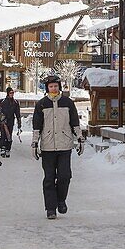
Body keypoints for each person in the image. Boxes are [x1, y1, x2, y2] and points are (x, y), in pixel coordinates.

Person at [32, 75, 83, 219]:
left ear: (59, 87)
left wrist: (79, 138)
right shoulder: (41, 104)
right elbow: (37, 126)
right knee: (49, 178)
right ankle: (50, 209)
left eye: (55, 86)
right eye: (51, 86)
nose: (53, 88)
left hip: (64, 145)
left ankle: (61, 200)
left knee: (65, 176)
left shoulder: (68, 103)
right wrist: (35, 143)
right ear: (47, 88)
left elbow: (74, 122)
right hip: (48, 146)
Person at [0, 87, 22, 158]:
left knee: (9, 135)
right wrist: (1, 116)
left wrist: (19, 122)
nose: (12, 94)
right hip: (3, 121)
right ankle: (2, 148)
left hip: (11, 121)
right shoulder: (2, 101)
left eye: (13, 93)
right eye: (10, 93)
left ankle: (8, 149)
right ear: (7, 93)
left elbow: (17, 113)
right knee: (3, 134)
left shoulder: (15, 102)